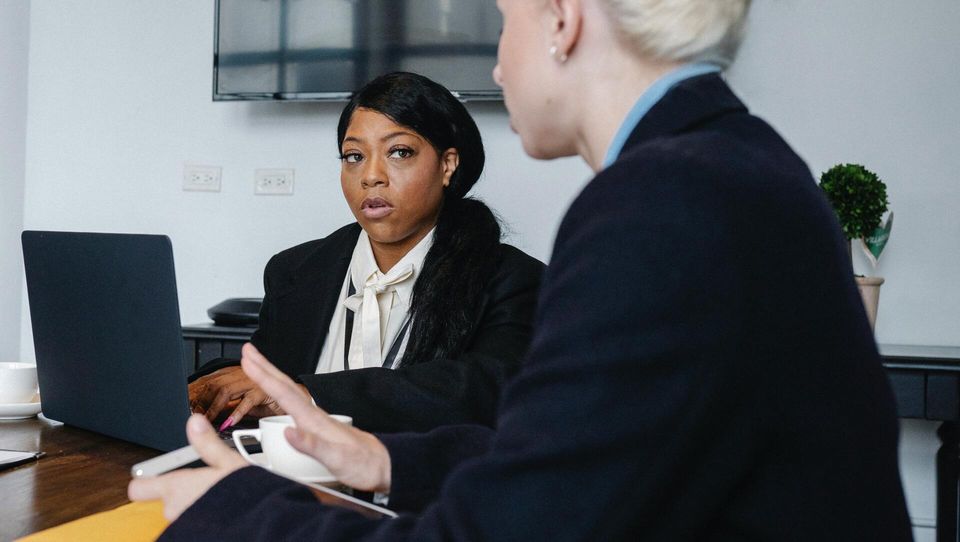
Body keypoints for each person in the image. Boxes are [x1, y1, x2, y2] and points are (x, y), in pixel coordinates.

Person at [131, 0, 913, 539]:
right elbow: (585, 457)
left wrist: (231, 513)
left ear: (562, 21)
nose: (499, 70)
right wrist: (384, 458)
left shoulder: (660, 204)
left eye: (504, 20)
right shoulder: (737, 164)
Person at [188, 72, 544, 434]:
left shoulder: (512, 279)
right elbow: (261, 374)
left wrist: (309, 396)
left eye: (399, 152)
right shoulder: (295, 271)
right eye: (354, 156)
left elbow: (484, 392)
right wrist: (214, 385)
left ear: (447, 165)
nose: (371, 176)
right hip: (286, 481)